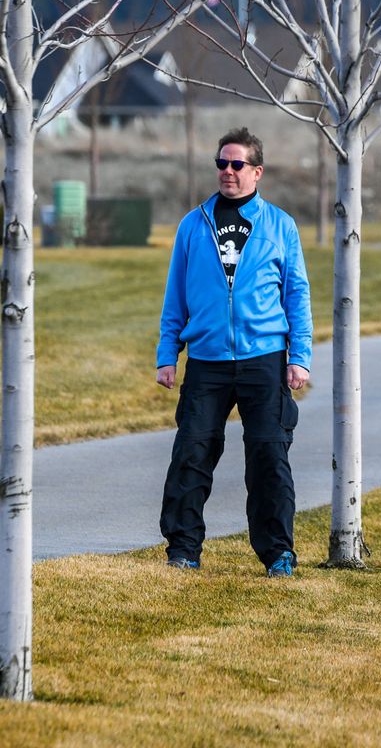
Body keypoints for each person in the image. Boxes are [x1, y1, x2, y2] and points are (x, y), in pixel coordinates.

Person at [156, 127, 312, 578]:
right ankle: (183, 549)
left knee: (268, 457)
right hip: (206, 360)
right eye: (221, 163)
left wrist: (299, 356)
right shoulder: (193, 224)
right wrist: (168, 353)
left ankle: (278, 553)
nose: (227, 171)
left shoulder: (280, 225)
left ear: (257, 172)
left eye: (237, 164)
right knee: (192, 450)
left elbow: (297, 295)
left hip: (264, 357)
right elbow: (176, 296)